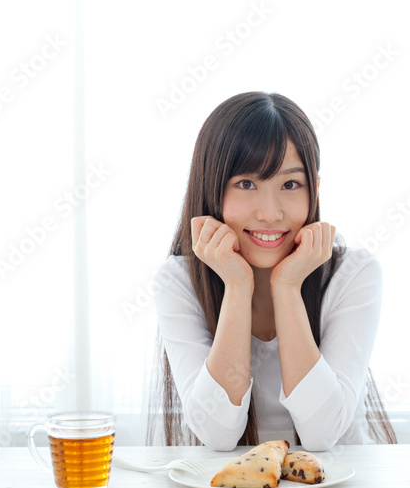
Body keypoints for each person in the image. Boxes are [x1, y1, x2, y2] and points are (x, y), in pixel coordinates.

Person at [147, 91, 396, 451]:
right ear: (211, 189)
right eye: (246, 184)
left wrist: (288, 288)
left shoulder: (354, 274)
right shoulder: (179, 281)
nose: (270, 213)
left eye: (290, 184)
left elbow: (322, 434)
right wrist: (236, 286)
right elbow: (217, 435)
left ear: (315, 189)